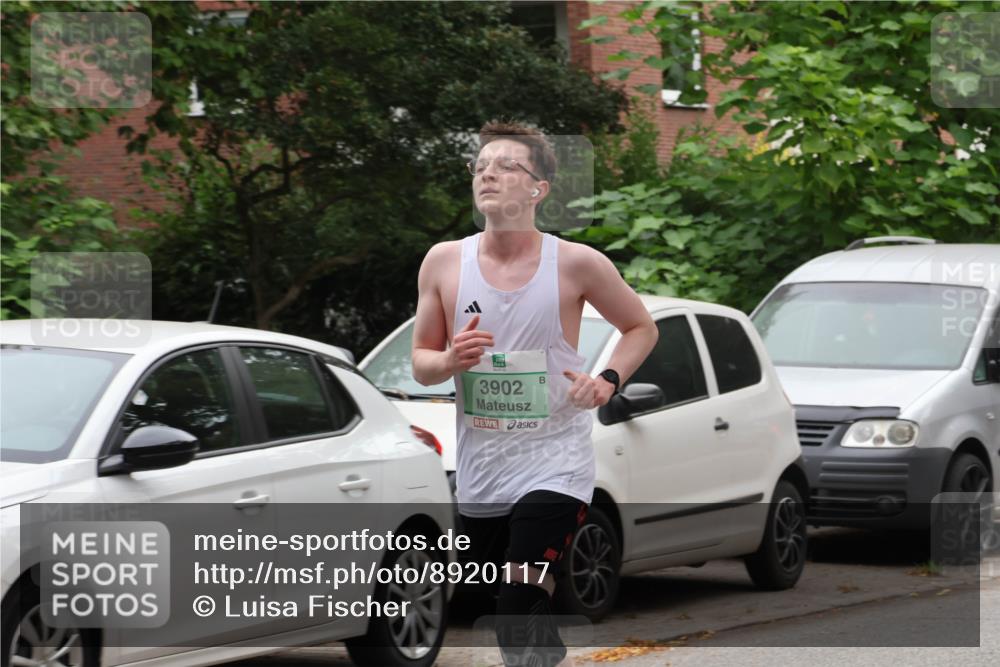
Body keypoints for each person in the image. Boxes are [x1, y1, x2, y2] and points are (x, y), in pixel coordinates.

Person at [411, 120, 657, 667]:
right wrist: (450, 360)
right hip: (483, 466)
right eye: (480, 166)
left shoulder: (576, 263)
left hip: (556, 463)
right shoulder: (444, 261)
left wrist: (607, 381)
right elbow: (422, 366)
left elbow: (641, 327)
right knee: (500, 599)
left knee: (520, 596)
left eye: (505, 166)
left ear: (537, 189)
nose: (488, 175)